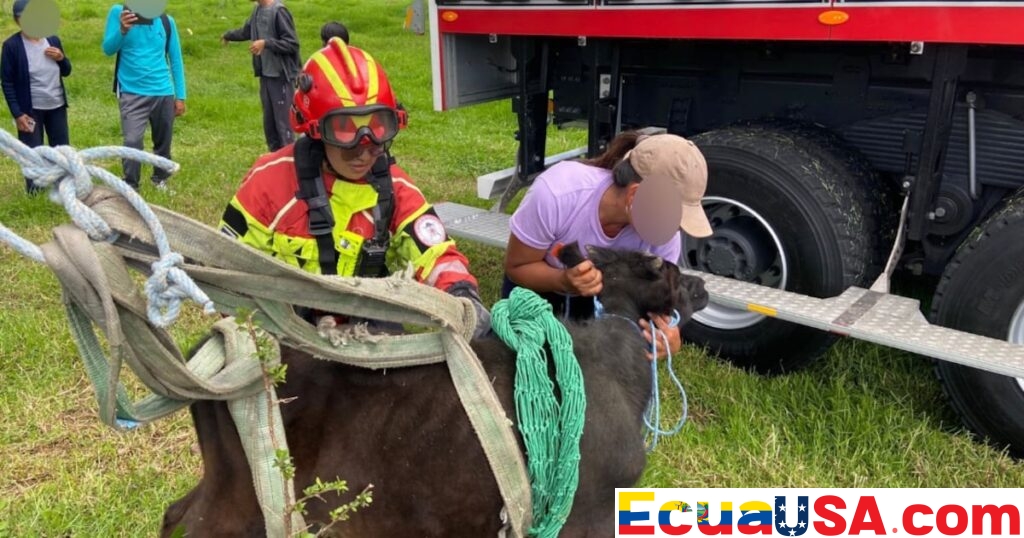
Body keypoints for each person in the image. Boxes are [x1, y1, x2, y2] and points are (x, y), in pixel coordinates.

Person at [219, 39, 490, 337]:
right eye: (348, 138)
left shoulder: (394, 189)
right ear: (315, 132)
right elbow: (228, 269)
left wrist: (463, 296)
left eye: (377, 139)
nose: (364, 154)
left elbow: (436, 255)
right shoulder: (268, 183)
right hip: (284, 325)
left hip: (368, 320)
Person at [503, 131, 713, 359]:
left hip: (600, 302)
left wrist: (670, 335)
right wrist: (563, 281)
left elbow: (661, 300)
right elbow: (517, 267)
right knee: (526, 360)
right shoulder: (557, 193)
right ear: (634, 195)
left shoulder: (665, 233)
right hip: (538, 289)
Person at [102, 3, 186, 191]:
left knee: (163, 140)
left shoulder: (166, 21)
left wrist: (180, 95)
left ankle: (160, 179)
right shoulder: (118, 13)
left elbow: (176, 59)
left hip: (163, 91)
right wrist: (122, 30)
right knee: (132, 141)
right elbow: (108, 48)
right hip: (131, 92)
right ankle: (131, 183)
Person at [1, 0, 71, 194]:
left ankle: (64, 188)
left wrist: (61, 58)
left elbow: (66, 71)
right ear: (18, 21)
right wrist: (17, 113)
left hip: (56, 105)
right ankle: (35, 192)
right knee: (32, 152)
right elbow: (7, 83)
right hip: (31, 110)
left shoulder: (53, 40)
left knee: (61, 149)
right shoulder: (12, 46)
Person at [222, 0, 300, 152]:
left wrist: (266, 43)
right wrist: (228, 35)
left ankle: (290, 163)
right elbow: (246, 31)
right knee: (270, 125)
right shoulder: (257, 10)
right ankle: (275, 162)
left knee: (284, 126)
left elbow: (292, 44)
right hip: (266, 76)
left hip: (281, 77)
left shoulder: (279, 11)